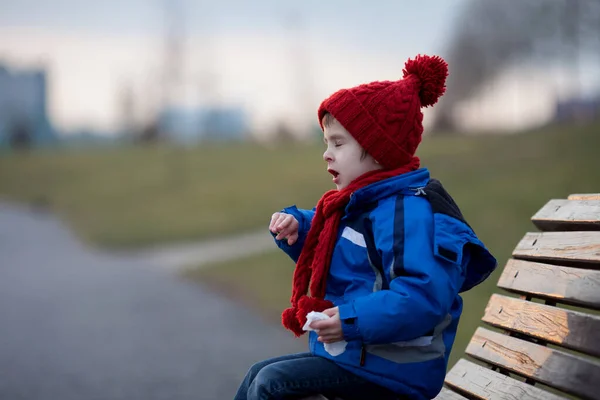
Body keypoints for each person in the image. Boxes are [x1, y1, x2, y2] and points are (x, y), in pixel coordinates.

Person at [234, 54, 497, 400]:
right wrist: (298, 226)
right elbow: (338, 244)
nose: (327, 154)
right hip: (363, 358)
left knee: (273, 382)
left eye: (338, 143)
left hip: (395, 369)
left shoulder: (406, 212)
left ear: (378, 150)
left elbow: (422, 297)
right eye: (327, 143)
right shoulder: (364, 204)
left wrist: (350, 319)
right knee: (258, 374)